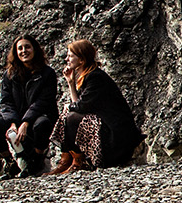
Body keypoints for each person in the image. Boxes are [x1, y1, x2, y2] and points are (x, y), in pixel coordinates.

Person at [48, 39, 140, 174]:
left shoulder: (95, 77)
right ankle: (68, 159)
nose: (66, 59)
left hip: (116, 134)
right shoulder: (88, 76)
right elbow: (79, 104)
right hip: (106, 126)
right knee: (69, 115)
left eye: (70, 56)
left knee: (71, 117)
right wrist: (71, 83)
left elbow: (80, 107)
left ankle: (78, 161)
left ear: (81, 59)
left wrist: (70, 106)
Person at [0, 35, 59, 177]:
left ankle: (36, 161)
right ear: (15, 52)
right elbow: (6, 101)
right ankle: (10, 162)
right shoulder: (9, 75)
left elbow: (43, 101)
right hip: (16, 116)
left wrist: (25, 122)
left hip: (40, 114)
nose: (24, 51)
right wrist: (13, 122)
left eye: (27, 47)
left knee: (41, 125)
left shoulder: (47, 73)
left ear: (34, 49)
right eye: (20, 48)